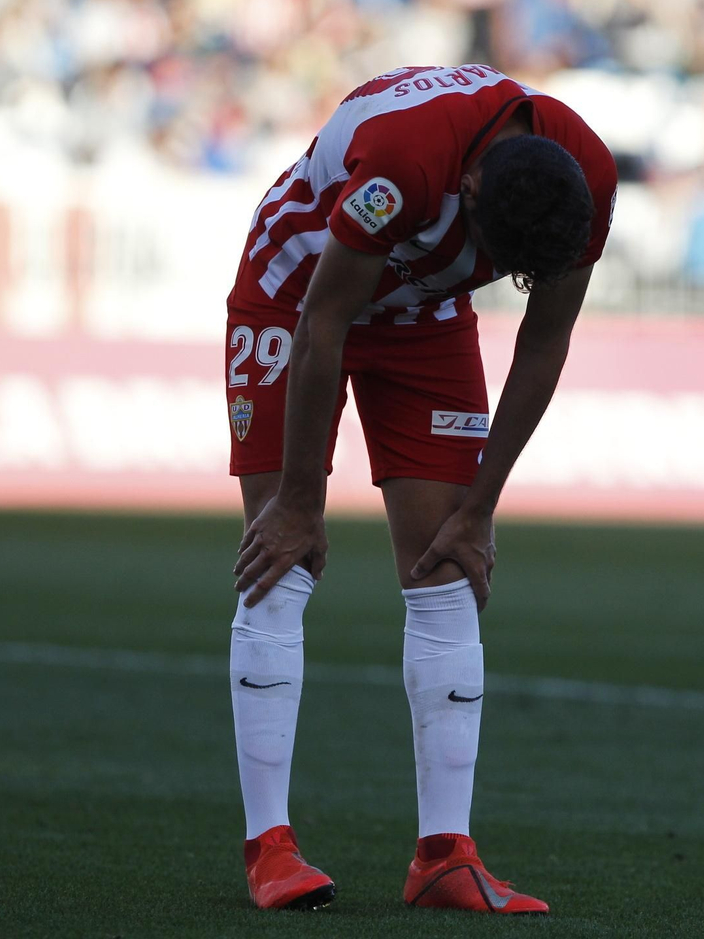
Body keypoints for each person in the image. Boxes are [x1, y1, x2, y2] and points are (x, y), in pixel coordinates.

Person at [225, 64, 615, 912]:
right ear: (469, 187)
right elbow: (324, 318)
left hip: (424, 312)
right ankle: (269, 847)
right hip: (297, 286)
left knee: (448, 568)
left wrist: (480, 507)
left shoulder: (586, 176)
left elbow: (543, 347)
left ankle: (444, 853)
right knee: (280, 558)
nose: (499, 273)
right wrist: (300, 497)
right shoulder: (407, 162)